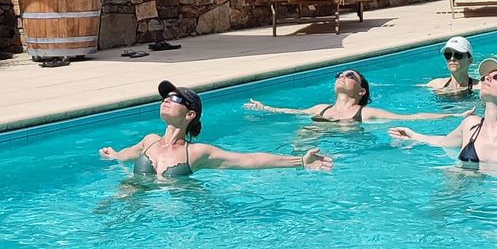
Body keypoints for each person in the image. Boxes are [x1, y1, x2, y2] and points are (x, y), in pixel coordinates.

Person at [100, 82, 333, 177]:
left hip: (180, 218)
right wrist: (114, 155)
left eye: (175, 99)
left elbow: (248, 160)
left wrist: (300, 162)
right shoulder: (149, 140)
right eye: (166, 97)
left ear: (190, 115)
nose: (167, 100)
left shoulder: (198, 152)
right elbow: (126, 155)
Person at [246, 68, 433, 126]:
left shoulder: (365, 113)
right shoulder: (321, 109)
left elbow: (409, 117)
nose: (342, 76)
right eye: (340, 75)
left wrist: (454, 115)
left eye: (350, 76)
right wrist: (264, 108)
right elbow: (291, 112)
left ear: (361, 92)